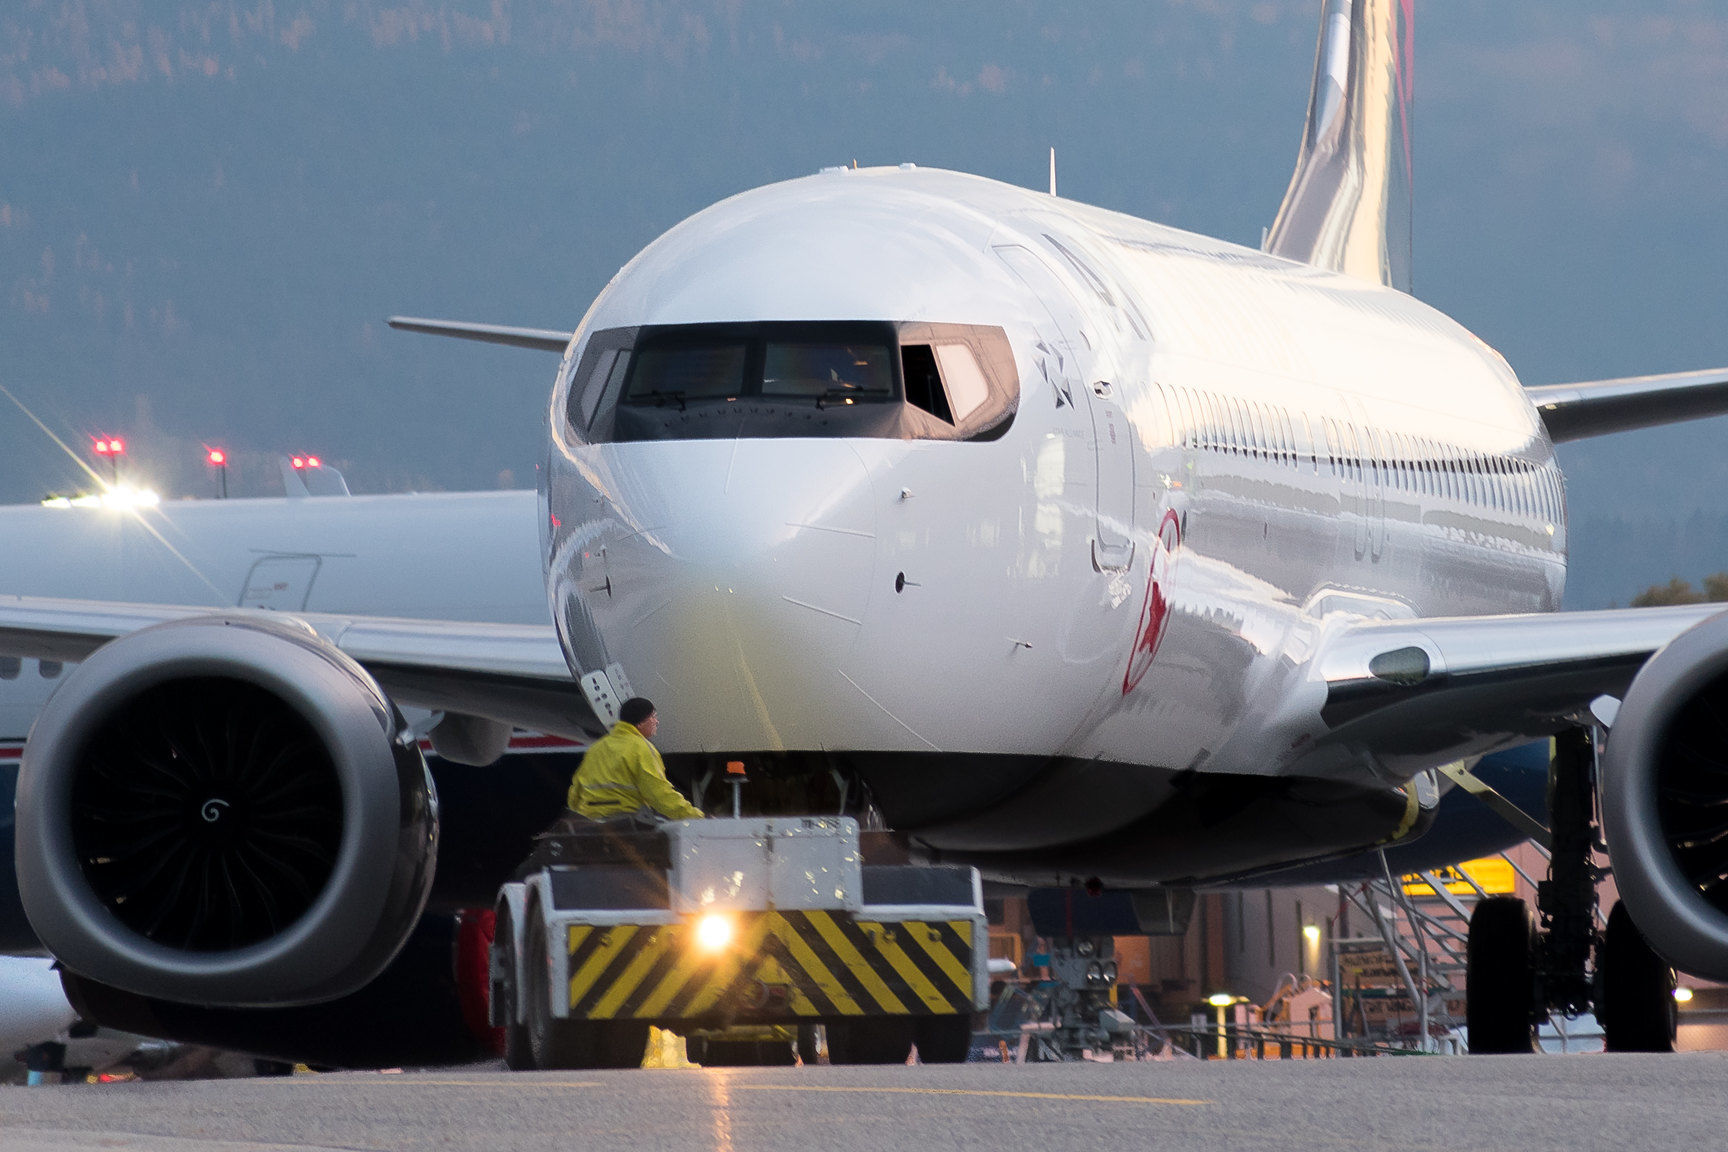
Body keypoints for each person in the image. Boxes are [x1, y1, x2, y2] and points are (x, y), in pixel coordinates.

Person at [566, 697, 703, 822]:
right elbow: (659, 794)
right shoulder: (641, 748)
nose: (657, 721)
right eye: (653, 717)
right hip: (624, 822)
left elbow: (575, 791)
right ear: (641, 723)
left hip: (590, 823)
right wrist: (696, 817)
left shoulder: (597, 747)